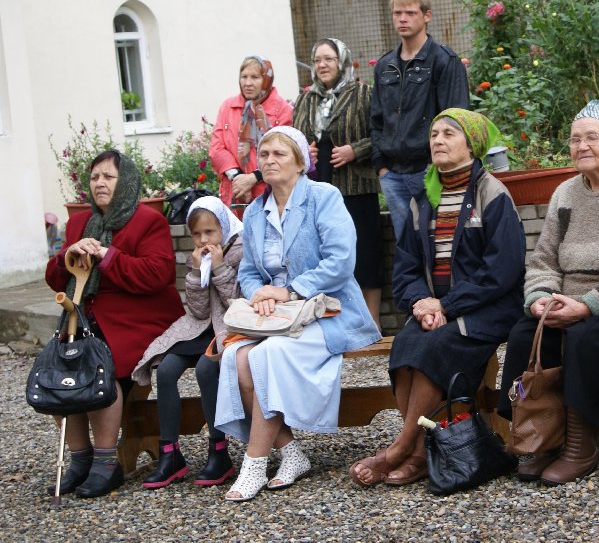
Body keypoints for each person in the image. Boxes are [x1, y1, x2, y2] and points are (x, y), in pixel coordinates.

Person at [351, 109, 525, 487]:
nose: (438, 140)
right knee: (406, 346)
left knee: (433, 349)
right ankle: (418, 452)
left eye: (449, 133)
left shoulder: (492, 193)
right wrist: (420, 304)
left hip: (487, 308)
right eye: (434, 134)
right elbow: (406, 268)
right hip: (436, 308)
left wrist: (447, 305)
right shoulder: (424, 198)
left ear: (471, 145)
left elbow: (502, 271)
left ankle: (402, 449)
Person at [215, 126, 381, 502]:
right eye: (264, 154)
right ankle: (291, 454)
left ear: (301, 162)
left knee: (267, 355)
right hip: (278, 316)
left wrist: (289, 291)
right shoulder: (254, 212)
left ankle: (254, 464)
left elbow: (341, 261)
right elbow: (248, 272)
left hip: (330, 311)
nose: (269, 160)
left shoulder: (324, 197)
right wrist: (260, 295)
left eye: (279, 154)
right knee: (236, 359)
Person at [498, 100, 599, 485]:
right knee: (524, 333)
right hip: (565, 300)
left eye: (592, 137)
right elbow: (544, 259)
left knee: (584, 337)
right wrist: (540, 298)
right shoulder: (566, 192)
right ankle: (543, 436)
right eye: (574, 140)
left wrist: (586, 306)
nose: (581, 146)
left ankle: (579, 446)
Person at [44, 150, 185, 498]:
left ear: (126, 183)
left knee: (96, 365)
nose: (100, 183)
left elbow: (157, 275)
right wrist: (67, 257)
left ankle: (107, 463)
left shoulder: (147, 221)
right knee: (58, 368)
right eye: (95, 177)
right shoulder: (79, 223)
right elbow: (56, 279)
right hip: (85, 315)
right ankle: (81, 459)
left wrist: (107, 256)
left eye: (108, 176)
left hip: (139, 317)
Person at [132, 197, 244, 489]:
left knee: (207, 369)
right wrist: (195, 272)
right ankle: (170, 454)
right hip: (201, 327)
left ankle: (219, 451)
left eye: (210, 232)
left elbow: (236, 303)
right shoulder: (196, 258)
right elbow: (198, 311)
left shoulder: (240, 251)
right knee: (166, 370)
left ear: (223, 228)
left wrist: (219, 268)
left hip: (229, 326)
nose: (203, 240)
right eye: (197, 234)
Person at [293, 38, 384, 326]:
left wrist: (355, 150)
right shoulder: (306, 99)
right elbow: (293, 139)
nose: (322, 65)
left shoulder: (363, 93)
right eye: (317, 60)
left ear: (342, 62)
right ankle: (340, 321)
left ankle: (372, 321)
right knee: (327, 255)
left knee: (366, 254)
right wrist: (304, 152)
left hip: (357, 188)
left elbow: (381, 134)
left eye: (329, 59)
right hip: (318, 189)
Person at [370, 0, 470, 240]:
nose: (402, 19)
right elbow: (376, 120)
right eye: (397, 13)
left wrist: (437, 164)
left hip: (430, 171)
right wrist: (381, 167)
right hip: (393, 175)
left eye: (410, 13)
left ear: (427, 16)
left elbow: (456, 118)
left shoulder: (444, 60)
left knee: (439, 241)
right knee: (406, 247)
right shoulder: (384, 66)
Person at [210, 55, 293, 207]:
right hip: (236, 193)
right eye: (244, 77)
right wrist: (238, 178)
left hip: (271, 194)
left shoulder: (283, 110)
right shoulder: (228, 107)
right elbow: (217, 149)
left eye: (255, 77)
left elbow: (284, 153)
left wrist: (253, 178)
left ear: (266, 79)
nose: (248, 83)